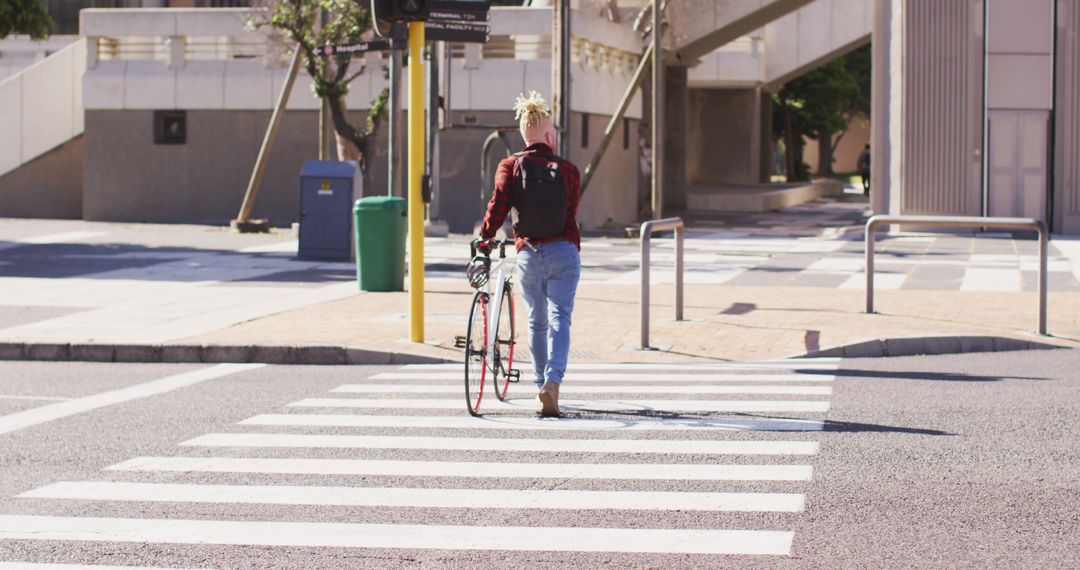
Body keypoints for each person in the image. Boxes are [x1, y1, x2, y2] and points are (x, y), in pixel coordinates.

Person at [478, 91, 581, 417]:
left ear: (524, 134)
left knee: (536, 322)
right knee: (559, 318)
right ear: (549, 135)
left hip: (529, 254)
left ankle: (539, 384)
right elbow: (570, 212)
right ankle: (553, 382)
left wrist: (485, 238)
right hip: (564, 251)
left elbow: (498, 207)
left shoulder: (509, 165)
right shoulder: (569, 170)